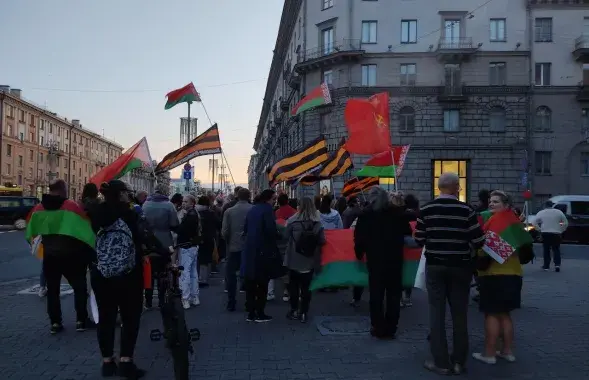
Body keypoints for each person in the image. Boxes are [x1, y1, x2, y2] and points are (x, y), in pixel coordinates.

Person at [90, 180, 168, 378]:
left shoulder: (95, 215)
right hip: (128, 275)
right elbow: (147, 237)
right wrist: (164, 252)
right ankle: (126, 362)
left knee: (106, 318)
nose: (129, 195)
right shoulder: (131, 214)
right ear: (121, 194)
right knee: (130, 317)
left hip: (101, 274)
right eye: (126, 192)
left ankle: (107, 362)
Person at [414, 172, 485, 375]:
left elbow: (419, 239)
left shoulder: (426, 210)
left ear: (439, 188)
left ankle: (441, 362)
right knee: (459, 314)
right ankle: (459, 362)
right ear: (456, 188)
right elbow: (479, 241)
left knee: (436, 314)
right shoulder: (467, 210)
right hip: (461, 267)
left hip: (435, 266)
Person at [26, 179, 92, 334]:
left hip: (50, 255)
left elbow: (30, 231)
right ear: (63, 189)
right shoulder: (71, 207)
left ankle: (55, 323)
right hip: (71, 255)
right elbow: (85, 229)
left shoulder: (38, 208)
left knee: (53, 290)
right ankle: (81, 320)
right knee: (79, 288)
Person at [472, 190, 529, 365]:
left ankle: (489, 354)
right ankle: (507, 351)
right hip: (514, 275)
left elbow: (483, 251)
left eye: (496, 201)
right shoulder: (516, 223)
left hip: (494, 275)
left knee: (491, 314)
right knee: (505, 315)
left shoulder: (496, 222)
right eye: (490, 201)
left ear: (506, 205)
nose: (491, 204)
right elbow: (526, 254)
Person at [354, 187, 411, 339]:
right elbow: (407, 232)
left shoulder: (366, 215)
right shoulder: (396, 214)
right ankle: (391, 327)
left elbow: (359, 238)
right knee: (393, 293)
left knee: (376, 293)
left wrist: (359, 253)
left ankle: (378, 326)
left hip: (375, 260)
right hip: (394, 259)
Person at [284, 197, 325, 323]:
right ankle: (304, 312)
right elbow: (322, 241)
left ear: (299, 206)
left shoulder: (292, 221)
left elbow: (285, 237)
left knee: (294, 287)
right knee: (307, 288)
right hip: (310, 260)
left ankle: (294, 309)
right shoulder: (317, 223)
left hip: (294, 259)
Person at [242, 189, 279, 322]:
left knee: (251, 283)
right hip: (263, 251)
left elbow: (245, 229)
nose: (275, 201)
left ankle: (251, 313)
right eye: (274, 199)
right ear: (268, 199)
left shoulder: (253, 209)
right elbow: (270, 230)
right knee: (263, 283)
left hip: (250, 250)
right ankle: (260, 312)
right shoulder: (267, 210)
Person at [142, 185, 179, 309]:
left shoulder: (146, 205)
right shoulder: (169, 205)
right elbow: (174, 224)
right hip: (165, 241)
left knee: (149, 273)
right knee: (163, 272)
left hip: (149, 242)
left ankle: (148, 301)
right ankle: (162, 300)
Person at [222, 188, 253, 311]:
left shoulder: (229, 211)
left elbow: (224, 232)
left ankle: (231, 301)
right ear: (249, 196)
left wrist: (228, 242)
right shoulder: (253, 209)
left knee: (231, 275)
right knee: (249, 275)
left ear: (237, 197)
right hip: (249, 247)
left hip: (233, 247)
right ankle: (249, 302)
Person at [177, 194, 201, 309]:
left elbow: (182, 230)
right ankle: (194, 297)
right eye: (183, 201)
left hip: (186, 246)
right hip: (193, 246)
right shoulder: (195, 213)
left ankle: (185, 298)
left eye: (186, 202)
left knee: (185, 273)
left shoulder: (189, 216)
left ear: (192, 203)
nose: (183, 203)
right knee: (193, 272)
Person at [533, 201, 568, 272]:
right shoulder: (559, 212)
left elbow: (534, 222)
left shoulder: (541, 212)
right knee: (556, 249)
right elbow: (565, 222)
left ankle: (546, 266)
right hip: (556, 233)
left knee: (546, 250)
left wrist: (539, 229)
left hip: (545, 233)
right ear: (552, 205)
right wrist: (561, 229)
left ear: (545, 205)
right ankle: (557, 265)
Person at [196, 195, 220, 287]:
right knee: (205, 260)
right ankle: (203, 279)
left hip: (197, 238)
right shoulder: (211, 213)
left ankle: (196, 277)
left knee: (196, 259)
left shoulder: (196, 212)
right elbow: (218, 224)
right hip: (209, 238)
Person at [402, 193, 420, 307]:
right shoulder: (417, 214)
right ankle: (407, 298)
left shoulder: (401, 214)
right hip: (413, 246)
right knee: (410, 270)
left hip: (401, 245)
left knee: (401, 270)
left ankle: (399, 297)